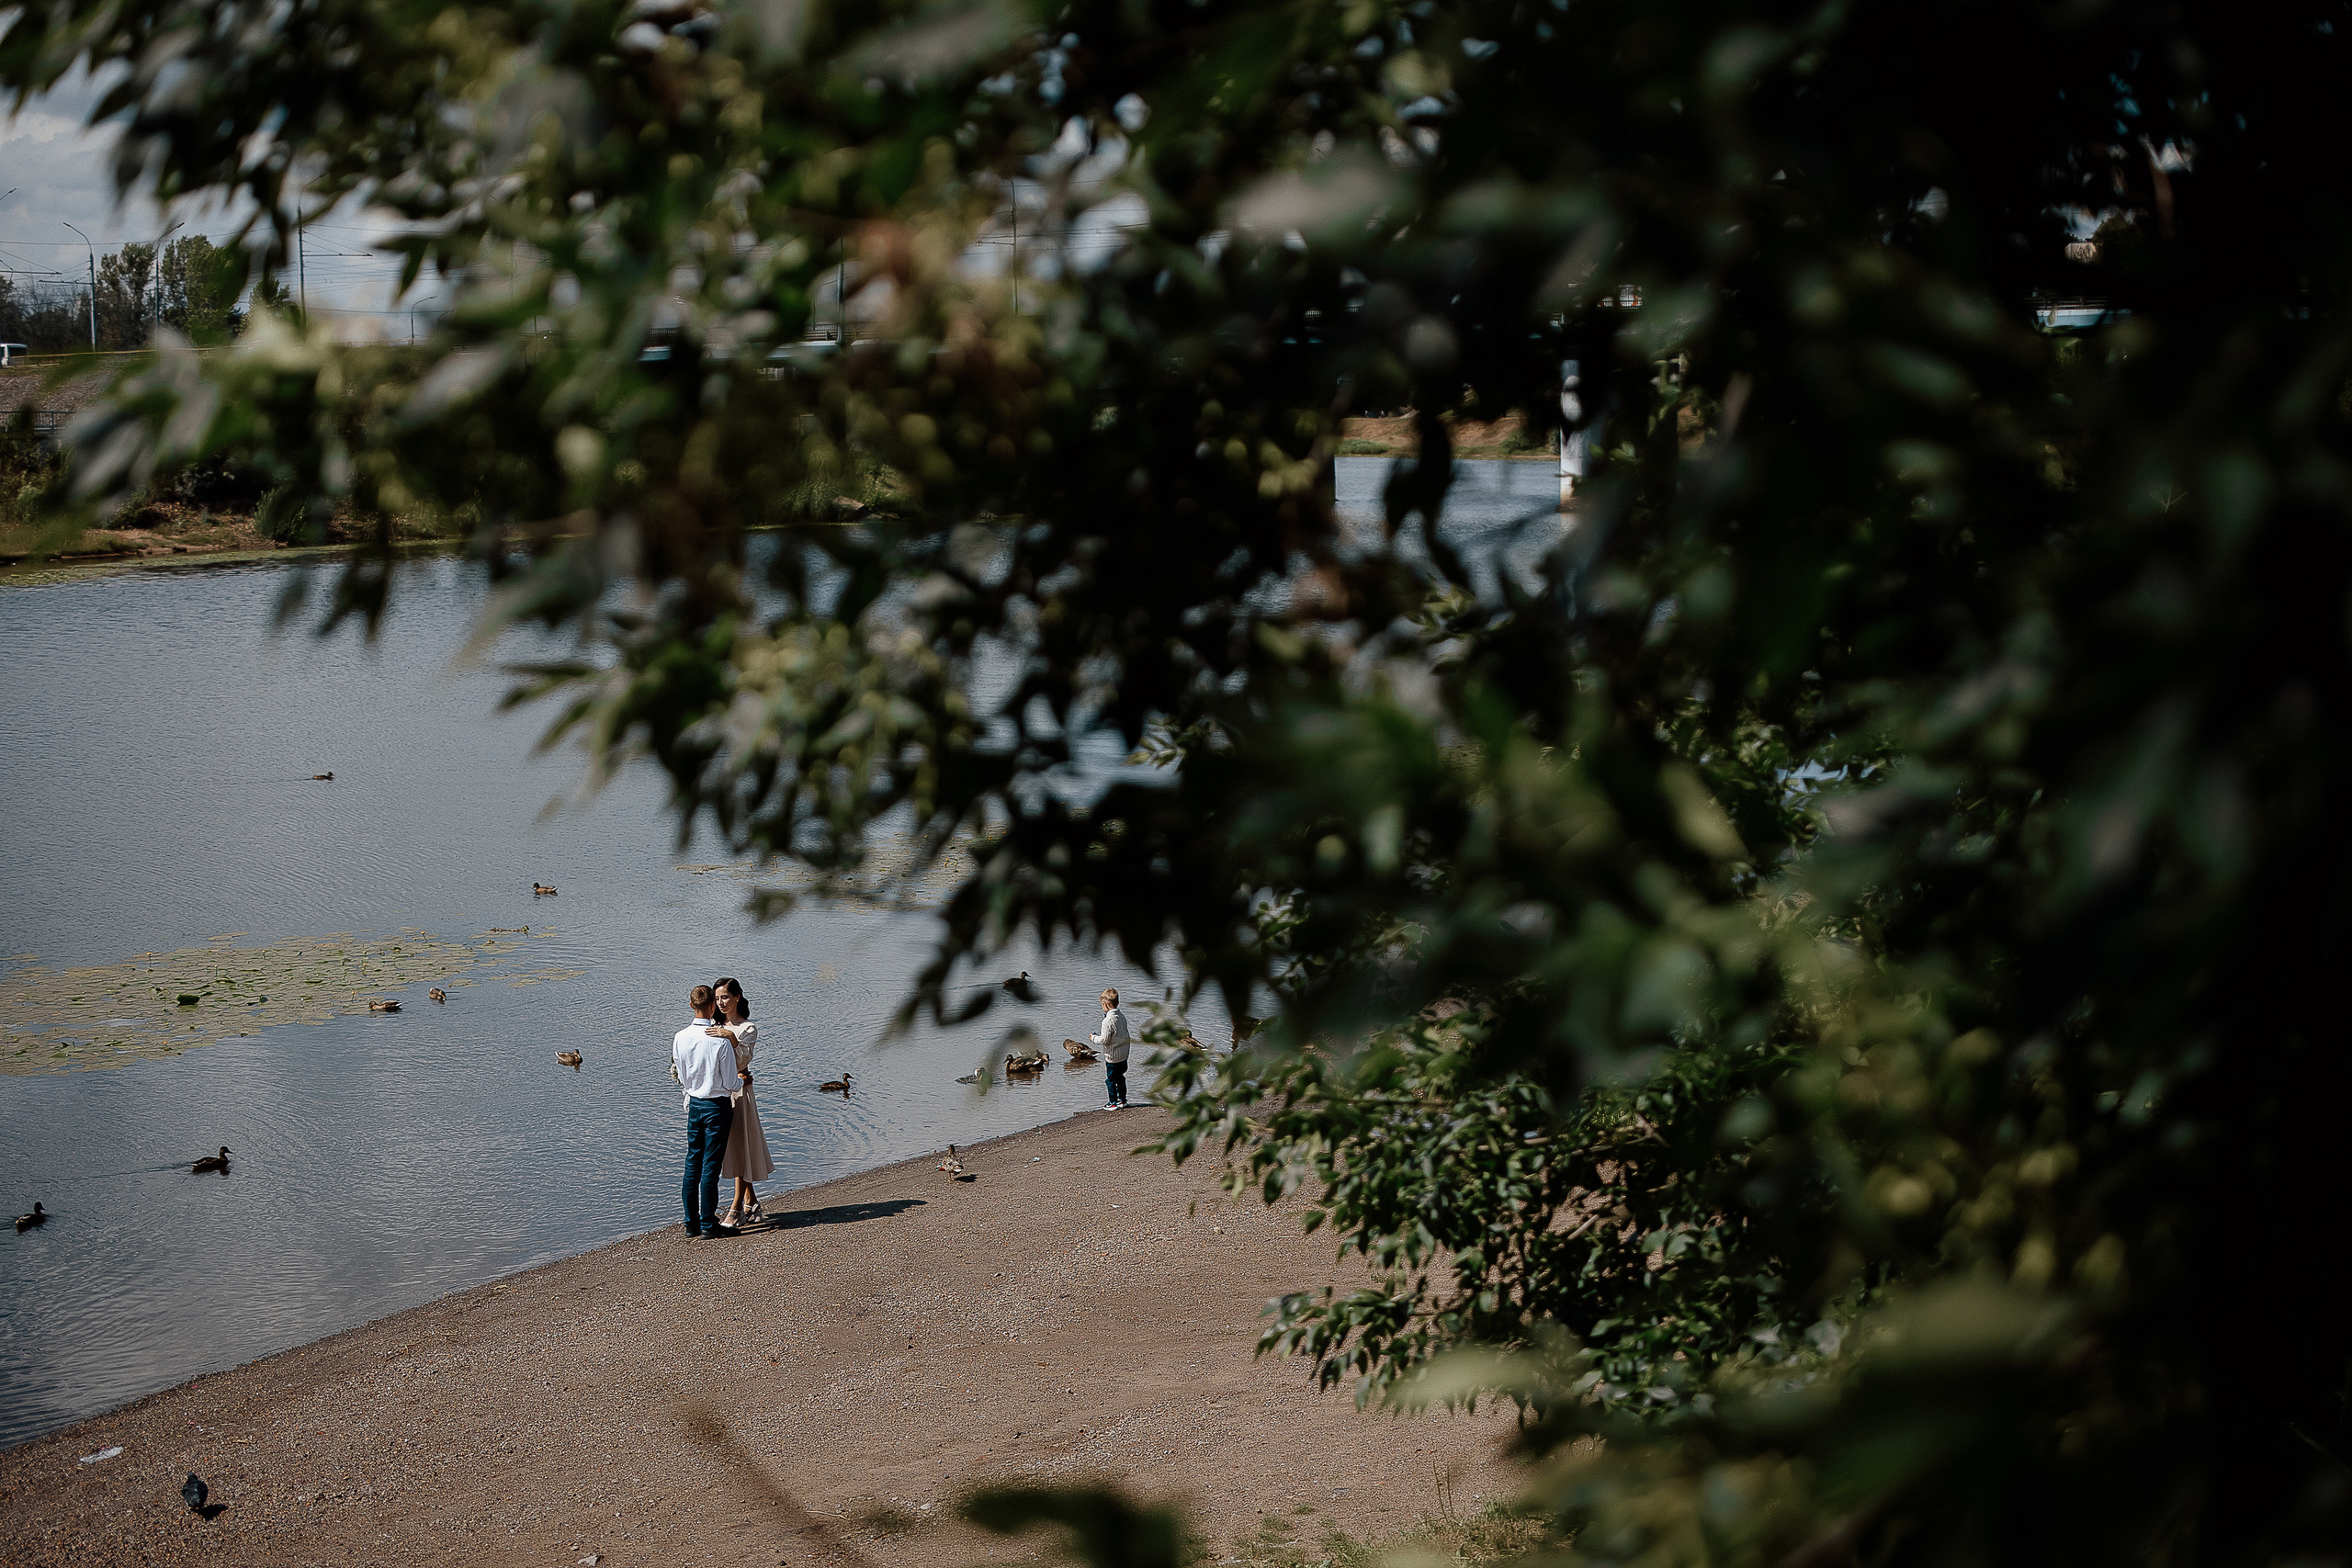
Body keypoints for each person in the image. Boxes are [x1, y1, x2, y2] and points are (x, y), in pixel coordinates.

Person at [673, 984, 749, 1238]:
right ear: (712, 1005)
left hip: (695, 1103)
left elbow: (682, 1077)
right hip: (716, 1105)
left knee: (692, 1161)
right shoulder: (719, 1039)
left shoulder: (680, 1037)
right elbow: (729, 1083)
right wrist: (741, 1080)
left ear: (692, 1005)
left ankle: (690, 1222)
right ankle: (708, 1223)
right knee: (710, 1166)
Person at [709, 976, 774, 1226]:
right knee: (733, 1146)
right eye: (717, 998)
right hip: (721, 1091)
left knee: (740, 1143)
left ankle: (737, 1206)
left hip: (740, 1093)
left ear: (737, 997)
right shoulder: (713, 1025)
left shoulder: (747, 1028)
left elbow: (741, 1061)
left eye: (725, 997)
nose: (721, 1002)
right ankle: (752, 1202)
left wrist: (731, 1038)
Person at [1091, 987, 1132, 1110]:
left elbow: (1104, 1040)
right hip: (1124, 1054)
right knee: (1120, 1077)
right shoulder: (1121, 1016)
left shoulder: (1107, 1021)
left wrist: (1093, 1038)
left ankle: (1113, 1102)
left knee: (1110, 1080)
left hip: (1113, 1057)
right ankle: (1123, 1100)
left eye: (1102, 1005)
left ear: (1105, 1005)